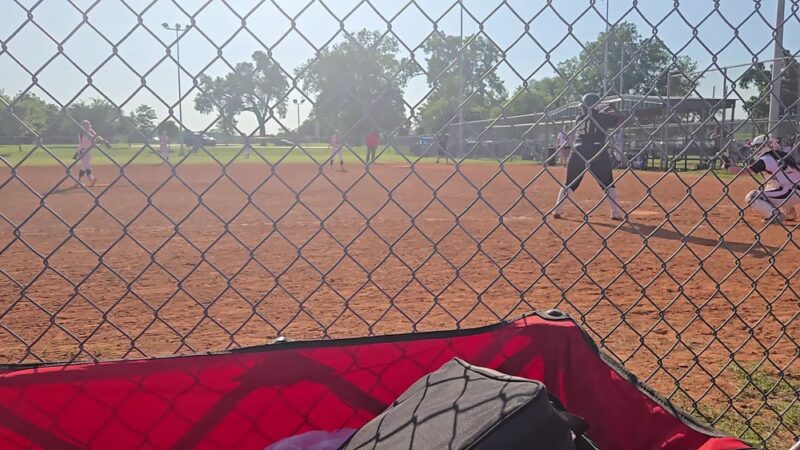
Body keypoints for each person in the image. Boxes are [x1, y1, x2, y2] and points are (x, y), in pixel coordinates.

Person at [552, 94, 624, 221]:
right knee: (607, 183)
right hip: (597, 150)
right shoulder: (602, 117)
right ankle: (616, 212)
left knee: (570, 183)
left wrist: (602, 111)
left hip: (578, 151)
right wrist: (613, 109)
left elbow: (593, 118)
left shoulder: (579, 118)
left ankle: (557, 209)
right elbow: (621, 120)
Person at [724, 134, 800, 223]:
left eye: (757, 146)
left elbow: (745, 172)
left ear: (767, 145)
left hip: (790, 192)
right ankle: (789, 213)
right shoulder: (784, 155)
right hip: (794, 189)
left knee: (752, 197)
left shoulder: (766, 159)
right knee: (772, 186)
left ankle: (774, 215)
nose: (755, 149)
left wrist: (728, 167)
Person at [73, 120, 107, 187]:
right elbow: (82, 144)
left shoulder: (90, 130)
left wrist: (102, 140)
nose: (88, 126)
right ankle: (91, 179)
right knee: (86, 165)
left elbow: (96, 136)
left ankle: (78, 181)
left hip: (88, 151)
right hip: (82, 151)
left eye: (89, 125)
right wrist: (76, 152)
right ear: (83, 126)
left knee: (83, 167)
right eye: (87, 125)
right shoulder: (80, 133)